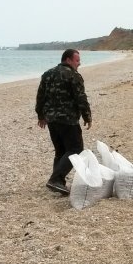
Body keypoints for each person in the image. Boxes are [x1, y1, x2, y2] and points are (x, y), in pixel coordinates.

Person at [35, 48, 93, 195]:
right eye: (77, 60)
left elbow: (40, 96)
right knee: (75, 149)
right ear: (68, 60)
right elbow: (81, 98)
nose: (79, 63)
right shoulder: (73, 75)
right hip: (68, 119)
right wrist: (87, 116)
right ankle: (56, 179)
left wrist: (41, 115)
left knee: (60, 151)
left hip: (51, 119)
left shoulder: (47, 74)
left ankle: (58, 183)